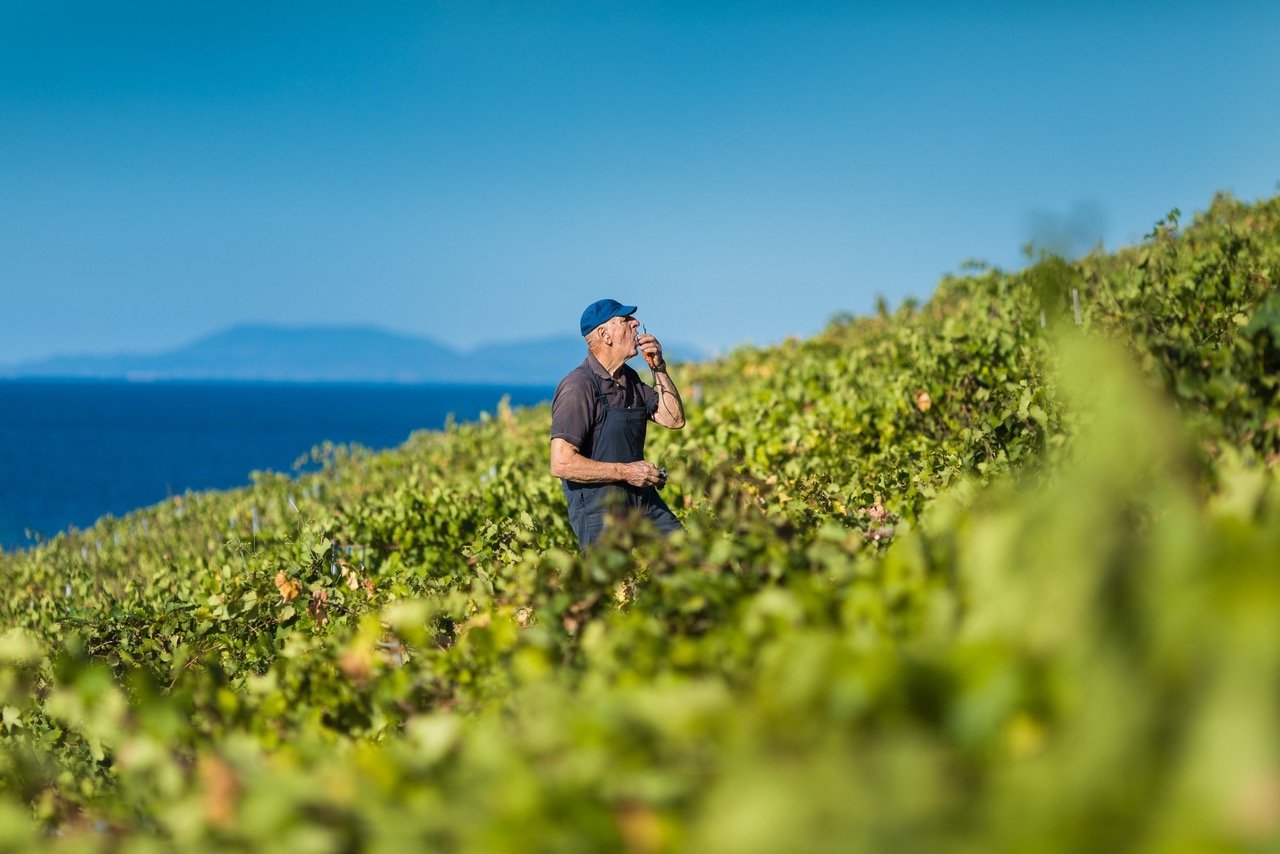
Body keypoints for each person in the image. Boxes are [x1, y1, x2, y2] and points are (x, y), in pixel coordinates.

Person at [550, 298, 686, 549]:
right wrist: (627, 472)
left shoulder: (630, 379)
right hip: (600, 511)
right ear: (605, 335)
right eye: (625, 321)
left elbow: (674, 419)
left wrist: (658, 367)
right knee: (614, 585)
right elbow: (561, 463)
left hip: (642, 501)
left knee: (687, 556)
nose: (636, 324)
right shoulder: (578, 386)